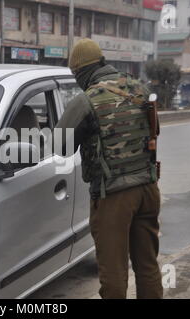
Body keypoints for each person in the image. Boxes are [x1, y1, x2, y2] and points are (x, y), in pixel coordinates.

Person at [55, 39, 163, 299]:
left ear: (80, 71)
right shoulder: (139, 87)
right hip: (148, 189)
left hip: (114, 195)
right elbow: (155, 129)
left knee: (113, 272)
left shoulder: (86, 101)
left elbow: (60, 146)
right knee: (147, 265)